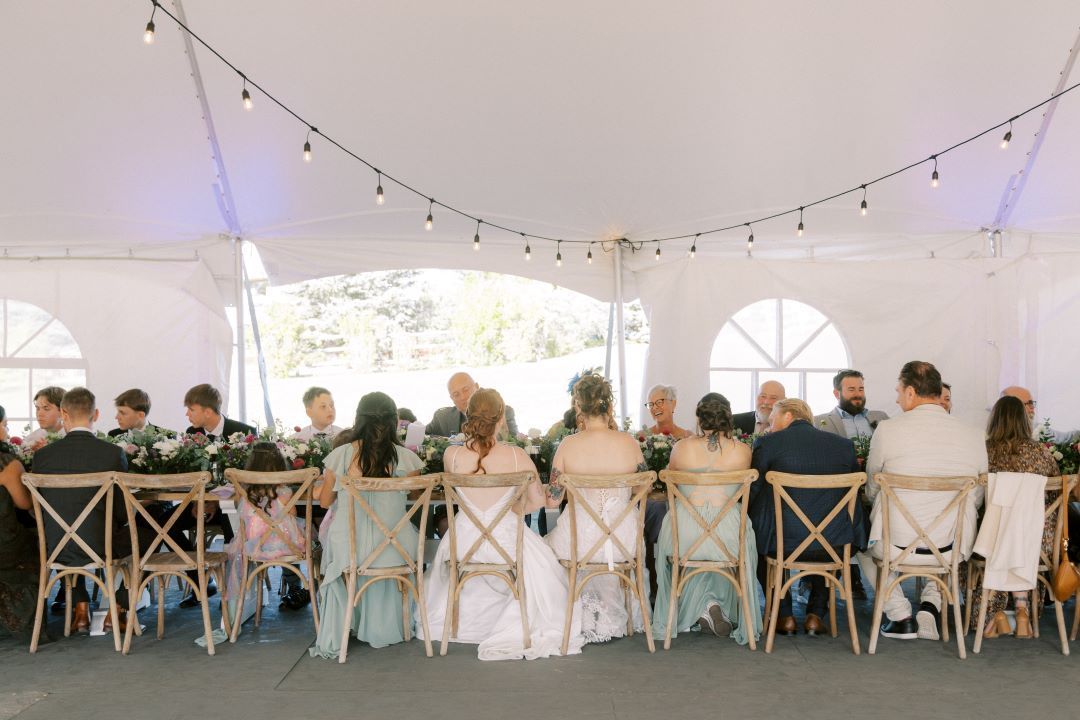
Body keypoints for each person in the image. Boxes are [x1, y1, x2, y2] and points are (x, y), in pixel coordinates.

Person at [420, 389, 583, 659]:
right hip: (507, 542)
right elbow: (538, 501)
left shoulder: (452, 456)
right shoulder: (517, 456)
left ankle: (460, 621)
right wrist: (509, 510)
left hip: (463, 544)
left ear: (468, 416)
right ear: (500, 419)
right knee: (546, 570)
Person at [861, 361, 987, 641]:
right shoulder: (975, 434)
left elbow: (872, 487)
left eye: (898, 391)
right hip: (951, 548)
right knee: (945, 529)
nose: (895, 398)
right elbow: (977, 495)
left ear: (910, 392)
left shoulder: (887, 430)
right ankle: (930, 606)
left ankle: (899, 614)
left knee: (859, 541)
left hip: (894, 544)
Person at [309, 392, 425, 659]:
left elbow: (326, 502)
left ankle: (348, 622)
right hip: (396, 548)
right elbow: (416, 498)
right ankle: (387, 625)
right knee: (399, 537)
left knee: (336, 542)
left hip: (352, 548)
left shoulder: (341, 456)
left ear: (358, 419)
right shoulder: (407, 459)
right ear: (395, 421)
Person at [30, 388, 151, 634]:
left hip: (55, 545)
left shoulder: (43, 456)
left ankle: (81, 607)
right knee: (149, 535)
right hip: (100, 545)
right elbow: (120, 512)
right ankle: (118, 607)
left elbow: (41, 509)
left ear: (63, 413)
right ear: (95, 414)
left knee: (68, 529)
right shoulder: (112, 453)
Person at [651, 393, 761, 644]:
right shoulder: (743, 451)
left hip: (684, 533)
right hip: (730, 533)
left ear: (699, 419)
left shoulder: (682, 448)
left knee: (697, 544)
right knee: (716, 545)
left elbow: (670, 479)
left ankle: (702, 609)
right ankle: (715, 607)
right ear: (728, 417)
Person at [749, 398, 865, 635]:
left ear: (789, 416)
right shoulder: (843, 446)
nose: (770, 427)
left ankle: (784, 615)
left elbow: (753, 489)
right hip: (832, 543)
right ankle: (816, 614)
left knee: (756, 537)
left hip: (783, 543)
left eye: (773, 420)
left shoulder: (768, 444)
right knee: (835, 533)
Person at [545, 373, 646, 643]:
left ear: (578, 407)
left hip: (580, 540)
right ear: (609, 406)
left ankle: (584, 611)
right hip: (623, 539)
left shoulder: (568, 446)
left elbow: (552, 501)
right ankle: (606, 614)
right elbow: (642, 488)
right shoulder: (629, 443)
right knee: (608, 541)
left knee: (548, 547)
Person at [967, 395, 1059, 638]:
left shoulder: (985, 453)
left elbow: (974, 498)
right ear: (1024, 421)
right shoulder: (1041, 454)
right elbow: (1054, 497)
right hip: (1036, 543)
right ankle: (1021, 610)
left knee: (985, 539)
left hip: (993, 540)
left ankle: (994, 614)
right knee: (1016, 539)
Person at [223, 442, 307, 624]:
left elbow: (242, 513)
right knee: (304, 533)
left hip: (255, 547)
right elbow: (292, 514)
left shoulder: (244, 490)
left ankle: (244, 607)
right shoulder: (285, 491)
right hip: (287, 547)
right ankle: (301, 588)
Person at [0, 435, 42, 643]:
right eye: (4, 424)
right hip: (5, 546)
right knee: (35, 539)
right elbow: (25, 503)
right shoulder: (7, 464)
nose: (6, 430)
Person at [426, 372, 519, 437]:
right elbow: (421, 437)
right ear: (452, 399)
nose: (463, 397)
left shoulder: (502, 411)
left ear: (477, 387)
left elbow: (514, 443)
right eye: (456, 394)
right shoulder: (442, 417)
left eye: (466, 390)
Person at [814, 369, 889, 439]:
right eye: (851, 389)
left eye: (861, 389)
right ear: (837, 394)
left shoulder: (882, 417)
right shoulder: (818, 422)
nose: (858, 394)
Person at [1001, 386, 1077, 444]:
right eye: (1027, 403)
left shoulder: (1038, 430)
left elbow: (1067, 438)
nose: (1032, 407)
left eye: (1032, 403)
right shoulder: (994, 440)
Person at [183, 383, 256, 440]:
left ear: (208, 413)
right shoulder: (191, 432)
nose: (187, 414)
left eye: (191, 410)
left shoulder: (246, 433)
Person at [107, 388, 171, 437]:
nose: (116, 417)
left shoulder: (166, 436)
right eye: (118, 412)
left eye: (123, 413)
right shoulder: (113, 435)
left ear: (140, 415)